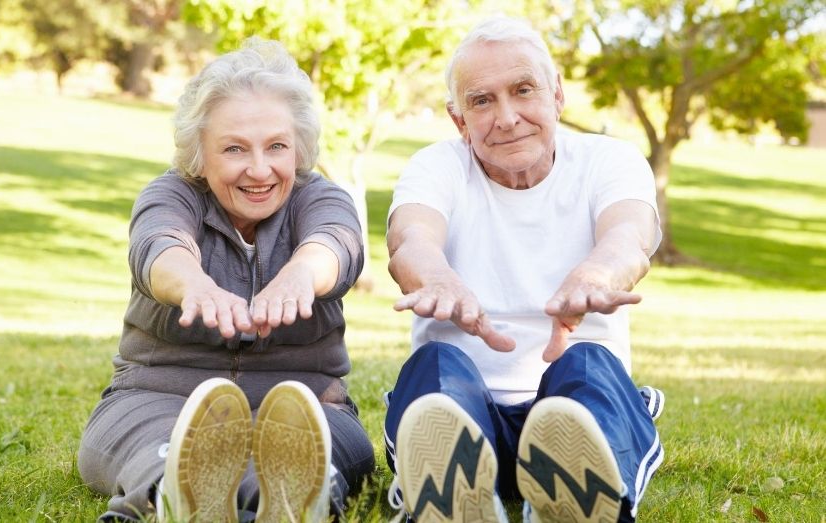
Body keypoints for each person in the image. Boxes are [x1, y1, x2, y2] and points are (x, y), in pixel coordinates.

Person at [77, 38, 375, 522]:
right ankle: (175, 491)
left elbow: (337, 242)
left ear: (298, 147)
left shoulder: (319, 197)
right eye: (235, 148)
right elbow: (158, 246)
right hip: (158, 400)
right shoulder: (172, 194)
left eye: (276, 146)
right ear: (199, 153)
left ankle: (289, 497)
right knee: (171, 451)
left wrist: (301, 273)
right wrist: (195, 286)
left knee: (295, 457)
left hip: (305, 404)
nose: (259, 170)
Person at [383, 16, 665, 523]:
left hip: (572, 409)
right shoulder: (436, 166)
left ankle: (580, 490)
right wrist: (439, 279)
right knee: (437, 366)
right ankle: (451, 486)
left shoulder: (609, 160)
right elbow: (410, 239)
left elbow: (629, 236)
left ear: (557, 95)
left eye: (523, 90)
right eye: (482, 101)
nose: (507, 117)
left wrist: (598, 273)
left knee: (587, 364)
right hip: (466, 410)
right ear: (458, 119)